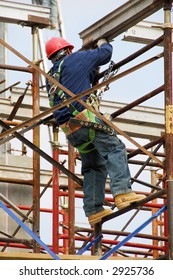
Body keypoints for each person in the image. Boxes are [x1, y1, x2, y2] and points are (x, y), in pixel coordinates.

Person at [44, 37, 146, 225]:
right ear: (67, 50)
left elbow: (83, 79)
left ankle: (93, 209)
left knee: (94, 164)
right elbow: (105, 54)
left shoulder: (51, 75)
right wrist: (102, 42)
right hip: (85, 120)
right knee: (115, 148)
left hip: (71, 130)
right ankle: (122, 192)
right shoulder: (76, 59)